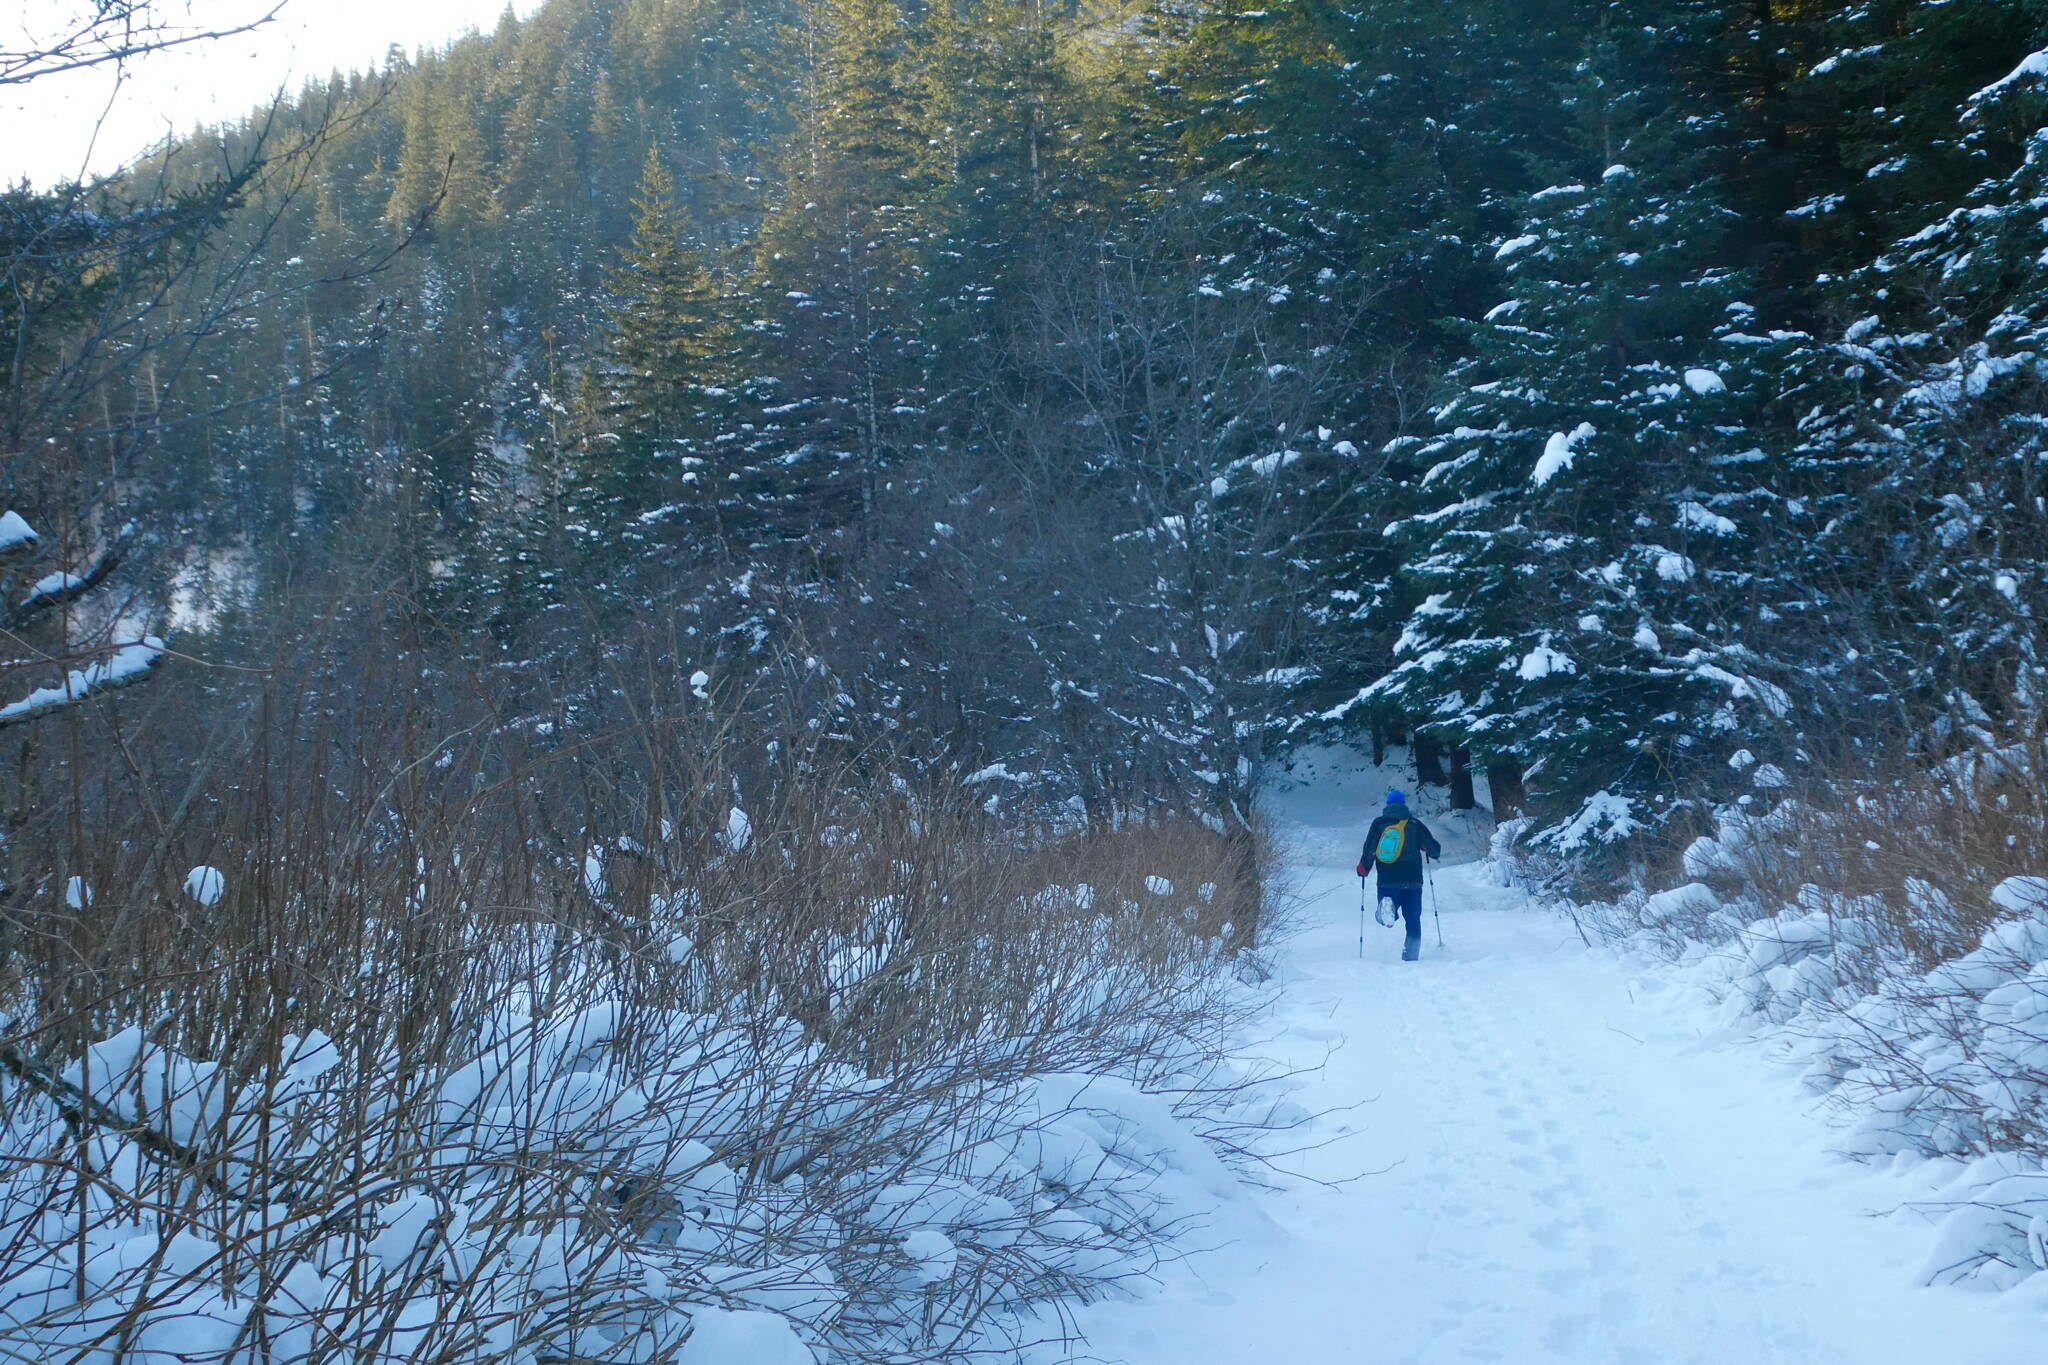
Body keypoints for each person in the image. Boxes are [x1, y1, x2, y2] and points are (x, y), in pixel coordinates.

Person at [1357, 788, 1442, 962]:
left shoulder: (1379, 823)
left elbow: (1370, 848)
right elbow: (1435, 850)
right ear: (1404, 805)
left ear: (1387, 805)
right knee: (1413, 919)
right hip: (1413, 880)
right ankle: (1410, 957)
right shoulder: (1415, 824)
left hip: (1388, 878)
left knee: (1386, 910)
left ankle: (1387, 913)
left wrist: (1364, 867)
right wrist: (1427, 849)